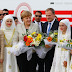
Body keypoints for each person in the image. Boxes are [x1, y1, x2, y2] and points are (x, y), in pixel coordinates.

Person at [43, 8, 59, 72]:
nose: (47, 17)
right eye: (46, 15)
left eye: (49, 15)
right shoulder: (44, 24)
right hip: (46, 51)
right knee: (47, 68)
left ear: (54, 15)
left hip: (55, 51)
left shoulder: (59, 24)